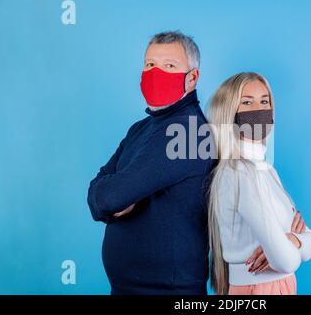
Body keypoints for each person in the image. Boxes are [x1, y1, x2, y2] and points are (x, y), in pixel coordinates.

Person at [87, 31, 215, 294]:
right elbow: (97, 192)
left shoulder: (188, 133)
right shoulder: (141, 128)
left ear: (192, 78)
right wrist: (110, 196)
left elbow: (110, 196)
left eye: (169, 66)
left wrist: (112, 195)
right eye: (150, 65)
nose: (156, 73)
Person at [207, 72, 311, 295]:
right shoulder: (238, 173)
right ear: (229, 113)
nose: (259, 109)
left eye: (264, 101)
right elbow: (286, 261)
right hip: (257, 289)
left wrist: (291, 239)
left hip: (278, 286)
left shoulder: (266, 170)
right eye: (247, 102)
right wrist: (293, 242)